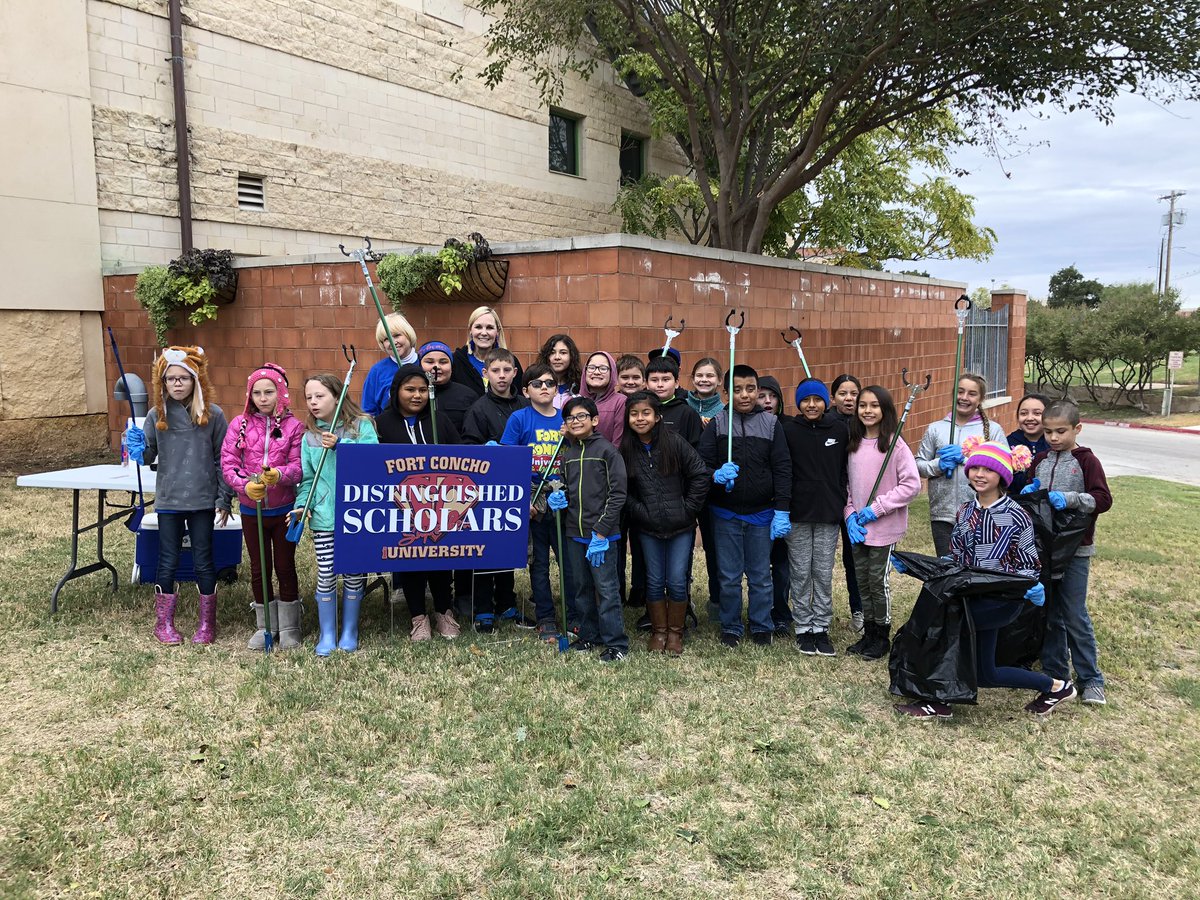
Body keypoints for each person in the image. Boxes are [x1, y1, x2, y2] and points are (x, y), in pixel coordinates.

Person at [894, 441, 1075, 720]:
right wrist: (918, 567)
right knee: (986, 674)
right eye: (974, 467)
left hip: (1000, 601)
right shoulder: (965, 511)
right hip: (971, 596)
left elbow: (1029, 564)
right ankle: (1056, 687)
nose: (979, 474)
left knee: (942, 629)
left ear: (1002, 476)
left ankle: (937, 701)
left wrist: (1031, 587)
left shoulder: (1017, 516)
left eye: (987, 470)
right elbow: (956, 557)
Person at [126, 346, 233, 646]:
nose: (176, 384)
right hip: (169, 500)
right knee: (168, 560)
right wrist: (138, 447)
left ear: (196, 380)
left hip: (201, 500)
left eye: (183, 378)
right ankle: (164, 623)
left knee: (203, 559)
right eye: (170, 379)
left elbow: (223, 460)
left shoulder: (212, 415)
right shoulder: (155, 415)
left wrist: (223, 499)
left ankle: (206, 624)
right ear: (162, 383)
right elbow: (148, 456)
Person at [1022, 399, 1113, 710]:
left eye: (1061, 431)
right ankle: (1056, 675)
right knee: (1049, 614)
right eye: (1048, 432)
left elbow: (1103, 499)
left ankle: (1091, 680)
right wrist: (1031, 492)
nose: (1054, 438)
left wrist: (1071, 498)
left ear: (1077, 428)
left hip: (1075, 550)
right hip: (1045, 550)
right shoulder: (1041, 461)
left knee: (1074, 614)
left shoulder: (1087, 462)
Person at [698, 365, 792, 647]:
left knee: (761, 574)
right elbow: (701, 465)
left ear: (758, 391)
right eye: (737, 390)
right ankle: (731, 624)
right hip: (725, 513)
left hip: (761, 514)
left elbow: (783, 468)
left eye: (750, 389)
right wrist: (715, 475)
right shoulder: (717, 424)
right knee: (728, 575)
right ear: (726, 393)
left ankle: (762, 624)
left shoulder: (771, 425)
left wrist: (782, 509)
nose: (744, 395)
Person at [289, 373, 378, 656]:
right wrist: (304, 504)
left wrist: (341, 445)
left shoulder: (361, 427)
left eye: (320, 396)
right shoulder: (310, 437)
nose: (313, 403)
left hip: (357, 515)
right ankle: (328, 633)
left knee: (353, 572)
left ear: (338, 397)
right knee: (326, 573)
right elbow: (307, 479)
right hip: (325, 516)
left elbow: (374, 460)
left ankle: (349, 630)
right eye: (309, 398)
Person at [220, 363, 305, 651]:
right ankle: (264, 625)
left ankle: (290, 626)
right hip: (251, 509)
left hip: (283, 510)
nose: (263, 398)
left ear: (281, 393)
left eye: (269, 392)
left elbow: (298, 467)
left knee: (284, 565)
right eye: (257, 393)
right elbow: (229, 463)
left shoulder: (294, 427)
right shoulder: (238, 424)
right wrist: (244, 486)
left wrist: (280, 475)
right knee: (259, 567)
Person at [376, 364, 463, 641]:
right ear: (396, 391)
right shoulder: (382, 423)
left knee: (440, 558)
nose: (417, 395)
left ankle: (443, 611)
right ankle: (418, 616)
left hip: (439, 505)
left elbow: (461, 458)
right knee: (410, 558)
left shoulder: (440, 420)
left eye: (423, 390)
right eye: (410, 389)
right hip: (402, 506)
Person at [620, 392, 710, 655]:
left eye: (646, 413)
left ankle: (675, 632)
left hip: (681, 527)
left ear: (657, 417)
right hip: (647, 527)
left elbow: (700, 475)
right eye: (634, 414)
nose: (640, 418)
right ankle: (659, 631)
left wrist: (688, 508)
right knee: (655, 580)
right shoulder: (625, 449)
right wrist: (640, 511)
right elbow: (620, 489)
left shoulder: (675, 443)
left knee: (677, 580)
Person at [547, 397, 629, 662]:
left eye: (582, 416)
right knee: (580, 588)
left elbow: (618, 494)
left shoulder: (607, 451)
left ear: (594, 420)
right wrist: (559, 498)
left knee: (606, 590)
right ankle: (589, 635)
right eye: (570, 418)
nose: (576, 422)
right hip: (574, 533)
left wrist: (602, 531)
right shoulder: (568, 454)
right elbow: (569, 491)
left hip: (601, 536)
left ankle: (616, 643)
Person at [844, 385, 921, 660]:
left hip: (883, 526)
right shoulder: (853, 443)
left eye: (874, 405)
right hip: (859, 528)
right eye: (862, 405)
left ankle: (881, 635)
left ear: (885, 409)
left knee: (878, 581)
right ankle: (868, 631)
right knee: (862, 581)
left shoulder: (894, 444)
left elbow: (911, 485)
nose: (867, 410)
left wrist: (876, 509)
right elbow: (850, 486)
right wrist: (850, 513)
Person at [501, 363, 576, 641]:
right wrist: (523, 501)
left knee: (568, 561)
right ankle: (545, 616)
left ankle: (573, 613)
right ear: (525, 390)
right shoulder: (520, 419)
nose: (544, 387)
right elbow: (508, 463)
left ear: (557, 390)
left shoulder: (567, 420)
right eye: (537, 384)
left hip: (563, 497)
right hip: (533, 498)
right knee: (540, 562)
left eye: (549, 383)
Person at [461, 348, 529, 631]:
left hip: (518, 489)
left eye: (507, 370)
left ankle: (507, 604)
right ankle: (484, 608)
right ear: (485, 373)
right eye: (495, 371)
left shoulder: (526, 406)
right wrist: (486, 452)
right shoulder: (479, 408)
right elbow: (466, 448)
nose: (502, 376)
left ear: (515, 372)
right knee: (486, 551)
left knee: (509, 548)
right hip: (486, 491)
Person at [781, 378, 848, 657]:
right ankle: (802, 627)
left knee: (822, 572)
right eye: (806, 400)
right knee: (799, 572)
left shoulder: (840, 430)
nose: (811, 405)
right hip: (797, 514)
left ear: (826, 402)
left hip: (827, 514)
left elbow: (846, 469)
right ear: (798, 403)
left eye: (817, 400)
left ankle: (821, 627)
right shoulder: (788, 430)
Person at [916, 373, 1007, 556]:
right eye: (960, 391)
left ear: (980, 399)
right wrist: (938, 464)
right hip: (942, 515)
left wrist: (966, 460)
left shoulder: (993, 430)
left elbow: (1003, 469)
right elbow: (918, 465)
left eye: (972, 394)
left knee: (977, 570)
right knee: (948, 571)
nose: (964, 397)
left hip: (982, 513)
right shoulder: (936, 429)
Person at [829, 373, 865, 634]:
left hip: (859, 501)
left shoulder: (866, 425)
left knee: (856, 559)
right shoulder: (826, 422)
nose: (849, 398)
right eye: (843, 393)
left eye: (854, 393)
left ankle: (860, 611)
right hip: (832, 497)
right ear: (833, 398)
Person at [757, 374, 792, 634]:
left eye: (772, 396)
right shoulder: (749, 426)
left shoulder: (789, 426)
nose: (767, 401)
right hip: (759, 507)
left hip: (784, 505)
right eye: (762, 396)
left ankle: (781, 611)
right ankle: (760, 610)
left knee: (781, 565)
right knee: (759, 566)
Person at [452, 306, 522, 397]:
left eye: (489, 328)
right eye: (478, 327)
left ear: (497, 331)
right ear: (470, 331)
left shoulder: (511, 362)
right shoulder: (457, 361)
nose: (484, 333)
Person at [360, 312, 418, 418]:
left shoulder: (426, 363)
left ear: (408, 335)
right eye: (386, 339)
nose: (392, 342)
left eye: (397, 335)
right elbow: (368, 411)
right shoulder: (377, 371)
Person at [418, 340, 477, 433]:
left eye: (443, 362)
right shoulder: (411, 394)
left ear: (451, 367)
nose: (436, 367)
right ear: (420, 365)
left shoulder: (468, 396)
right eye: (429, 362)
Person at [1006, 392, 1051, 495]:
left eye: (1037, 413)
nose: (1030, 418)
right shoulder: (1008, 442)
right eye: (1024, 413)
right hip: (1015, 503)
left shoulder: (1055, 443)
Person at [580, 350, 627, 446]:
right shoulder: (573, 402)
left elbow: (618, 442)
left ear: (612, 372)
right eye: (592, 368)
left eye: (603, 368)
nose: (596, 372)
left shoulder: (620, 402)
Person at [537, 333, 581, 409]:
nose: (557, 357)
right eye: (552, 353)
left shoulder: (580, 386)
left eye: (563, 353)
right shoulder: (537, 385)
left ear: (571, 356)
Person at [686, 357, 725, 426]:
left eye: (709, 376)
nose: (704, 379)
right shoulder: (683, 405)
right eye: (699, 375)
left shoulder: (724, 412)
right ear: (693, 379)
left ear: (720, 380)